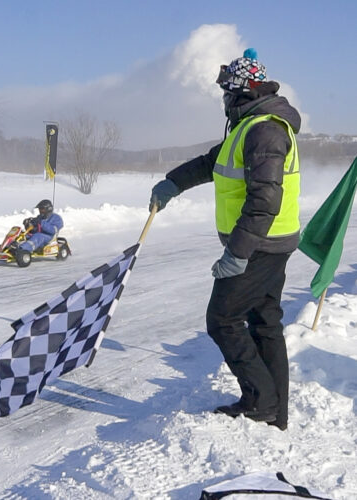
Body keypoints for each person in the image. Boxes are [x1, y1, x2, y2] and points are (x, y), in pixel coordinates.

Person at [149, 48, 301, 431]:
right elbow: (210, 163)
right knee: (265, 322)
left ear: (240, 94)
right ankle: (274, 411)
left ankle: (262, 402)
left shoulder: (264, 130)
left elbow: (265, 198)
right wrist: (173, 183)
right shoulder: (249, 127)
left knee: (222, 319)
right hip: (270, 243)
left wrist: (238, 251)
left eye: (225, 94)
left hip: (259, 246)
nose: (222, 101)